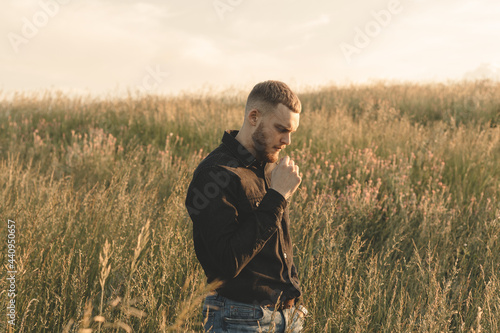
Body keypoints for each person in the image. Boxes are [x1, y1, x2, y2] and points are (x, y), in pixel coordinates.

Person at [185, 80, 307, 332]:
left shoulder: (267, 166)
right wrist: (277, 197)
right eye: (281, 129)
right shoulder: (215, 174)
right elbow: (227, 262)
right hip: (241, 319)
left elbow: (275, 245)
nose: (287, 140)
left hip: (288, 316)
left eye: (291, 132)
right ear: (254, 117)